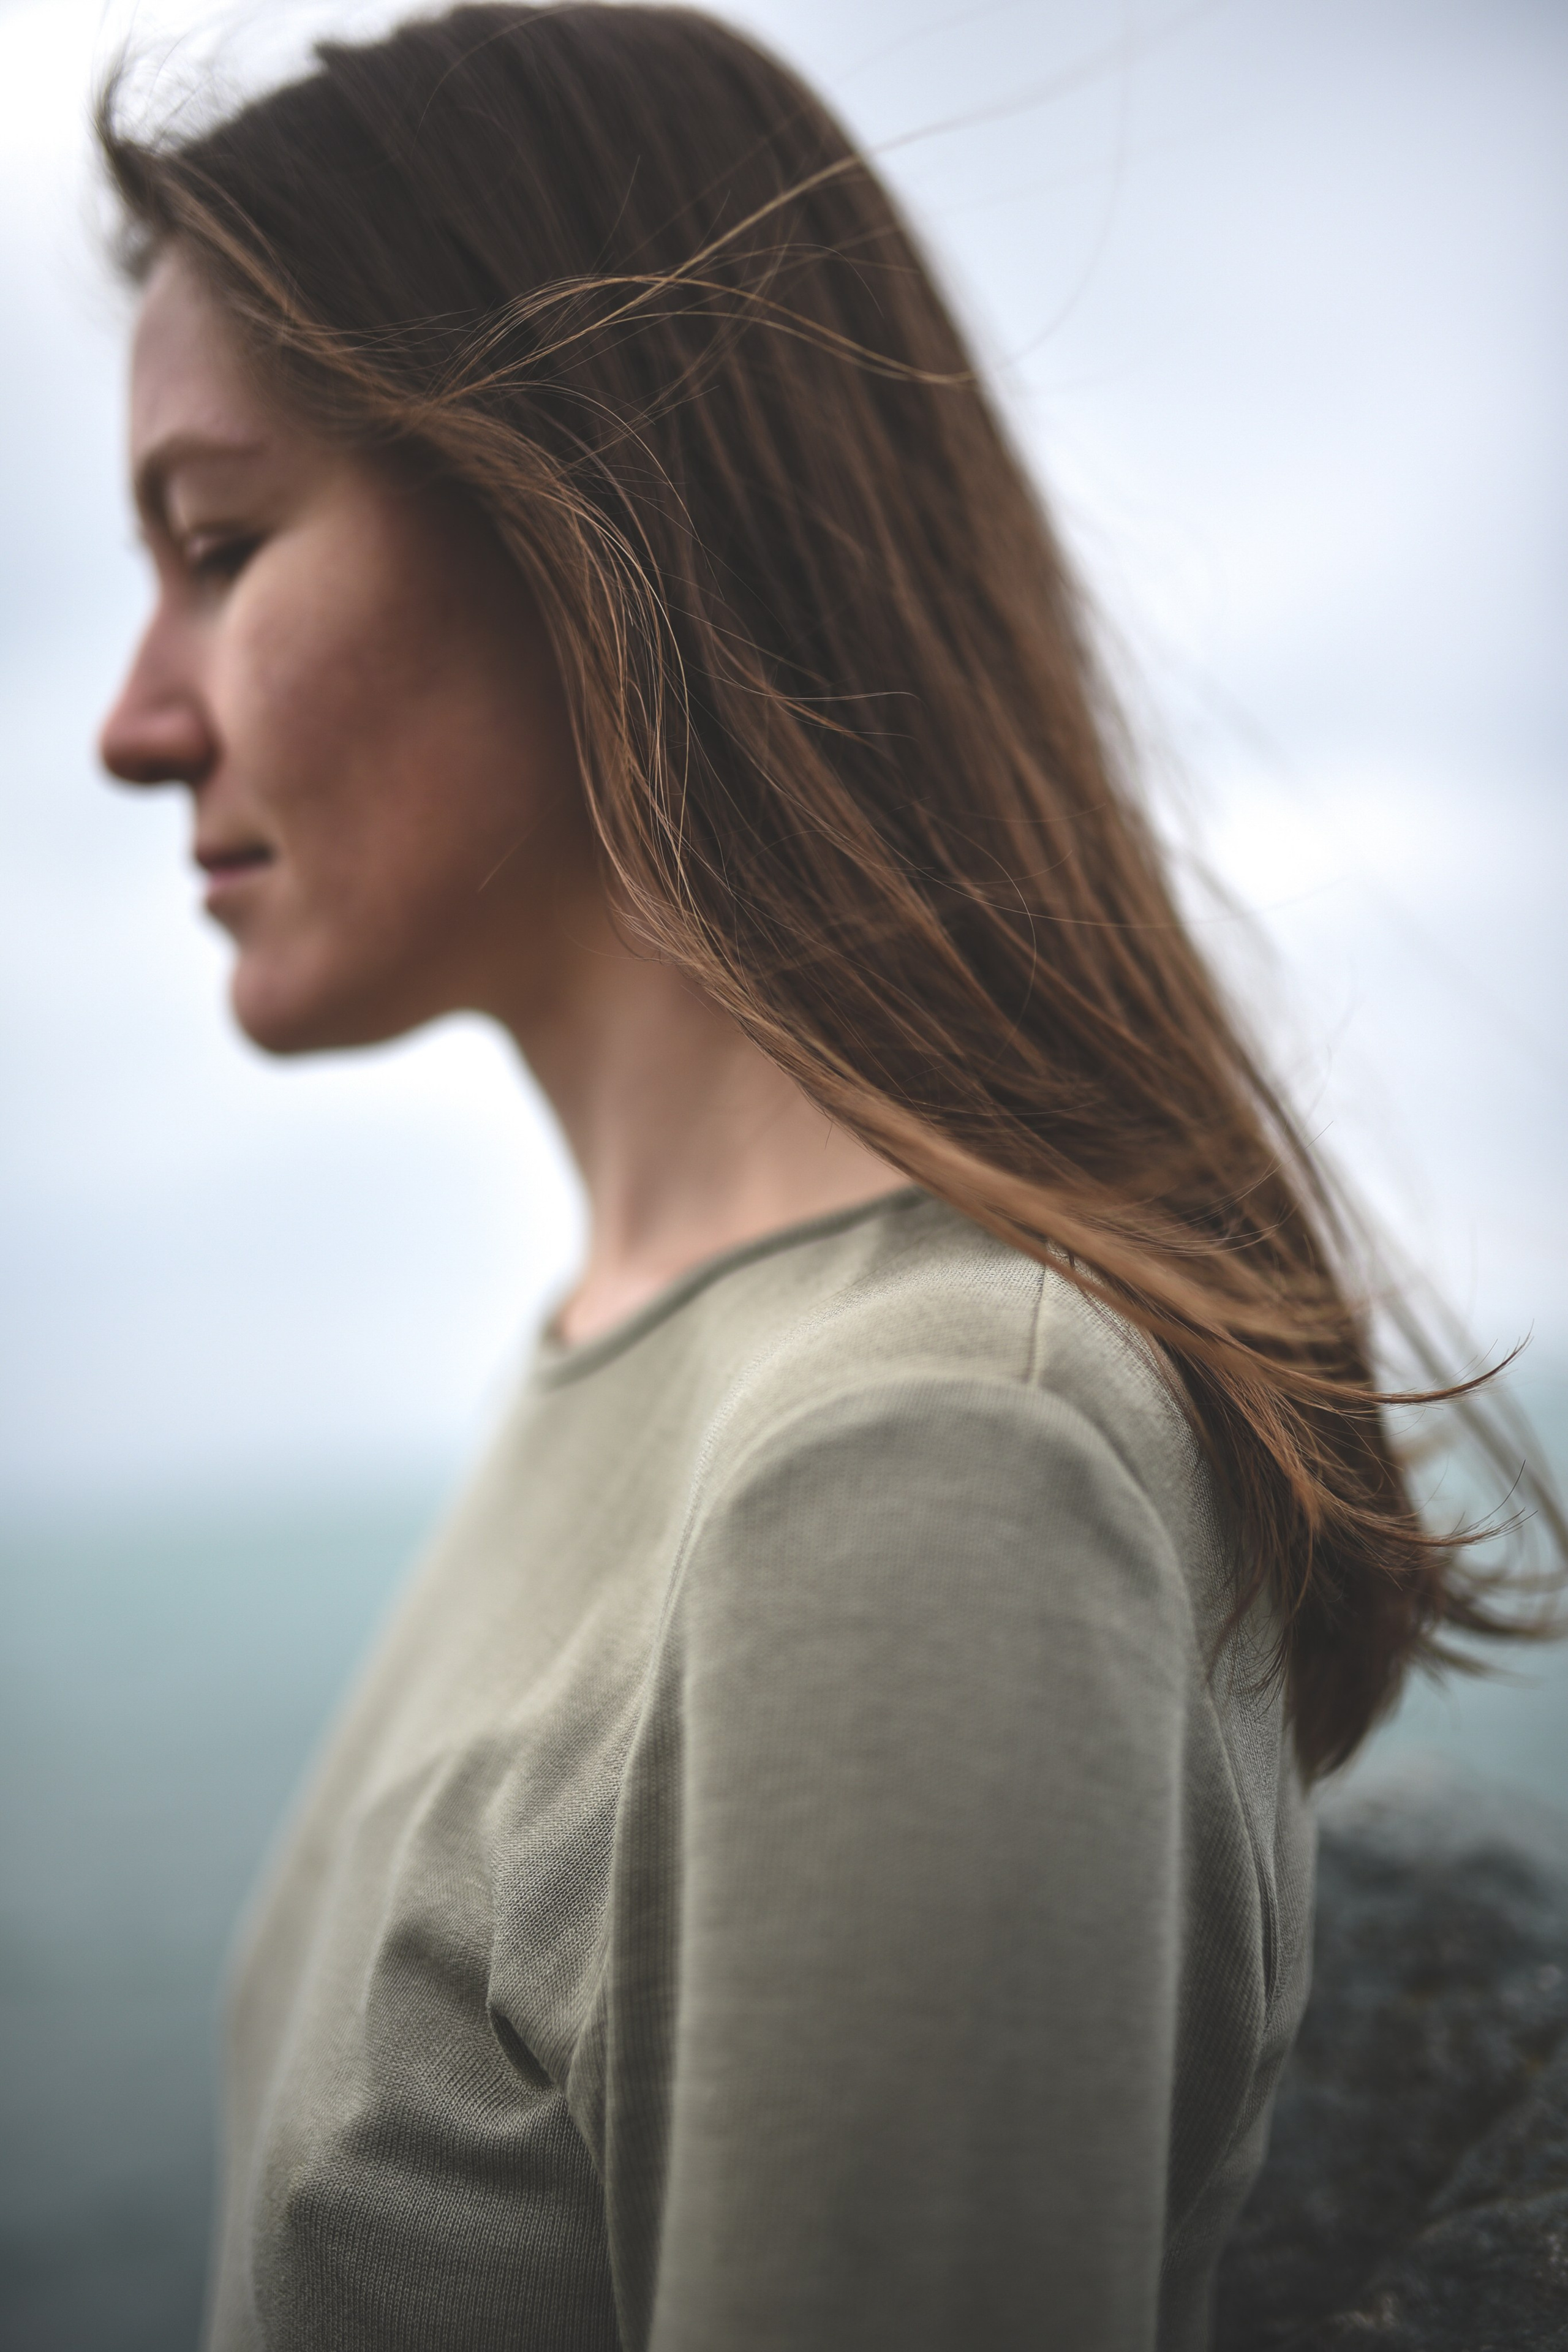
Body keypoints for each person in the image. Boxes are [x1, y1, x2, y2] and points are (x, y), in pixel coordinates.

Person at [92, 7, 1560, 2346]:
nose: (133, 722)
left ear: (588, 516)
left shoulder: (917, 1466)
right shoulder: (651, 1360)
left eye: (220, 542)